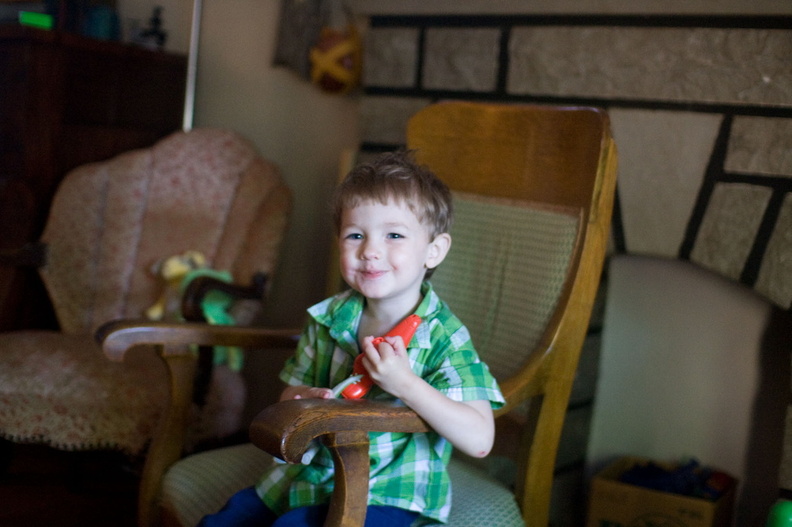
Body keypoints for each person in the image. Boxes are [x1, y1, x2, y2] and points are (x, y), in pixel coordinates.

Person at [198, 150, 504, 526]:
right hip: (306, 479)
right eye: (355, 235)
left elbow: (479, 439)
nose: (370, 251)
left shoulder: (444, 336)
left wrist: (405, 383)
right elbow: (289, 395)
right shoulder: (326, 319)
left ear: (433, 251)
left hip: (388, 493)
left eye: (394, 235)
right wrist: (303, 399)